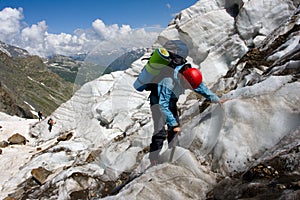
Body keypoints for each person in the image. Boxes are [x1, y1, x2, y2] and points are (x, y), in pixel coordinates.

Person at [148, 63, 227, 166]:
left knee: (174, 132)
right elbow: (162, 106)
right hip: (158, 104)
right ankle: (153, 159)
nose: (188, 88)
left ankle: (172, 154)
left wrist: (217, 100)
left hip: (170, 103)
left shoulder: (189, 77)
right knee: (160, 133)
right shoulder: (168, 81)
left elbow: (201, 89)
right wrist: (173, 123)